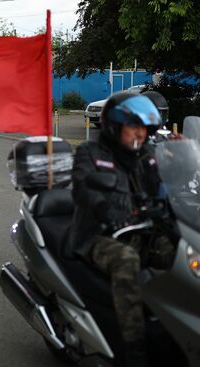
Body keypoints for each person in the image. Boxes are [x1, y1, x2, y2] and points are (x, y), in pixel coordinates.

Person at [71, 92, 175, 367]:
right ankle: (135, 351)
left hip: (143, 229)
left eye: (144, 128)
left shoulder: (146, 154)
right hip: (100, 233)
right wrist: (105, 208)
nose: (139, 133)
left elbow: (168, 180)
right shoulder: (90, 152)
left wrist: (182, 162)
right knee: (127, 263)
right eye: (133, 127)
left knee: (181, 253)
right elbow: (83, 187)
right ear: (115, 127)